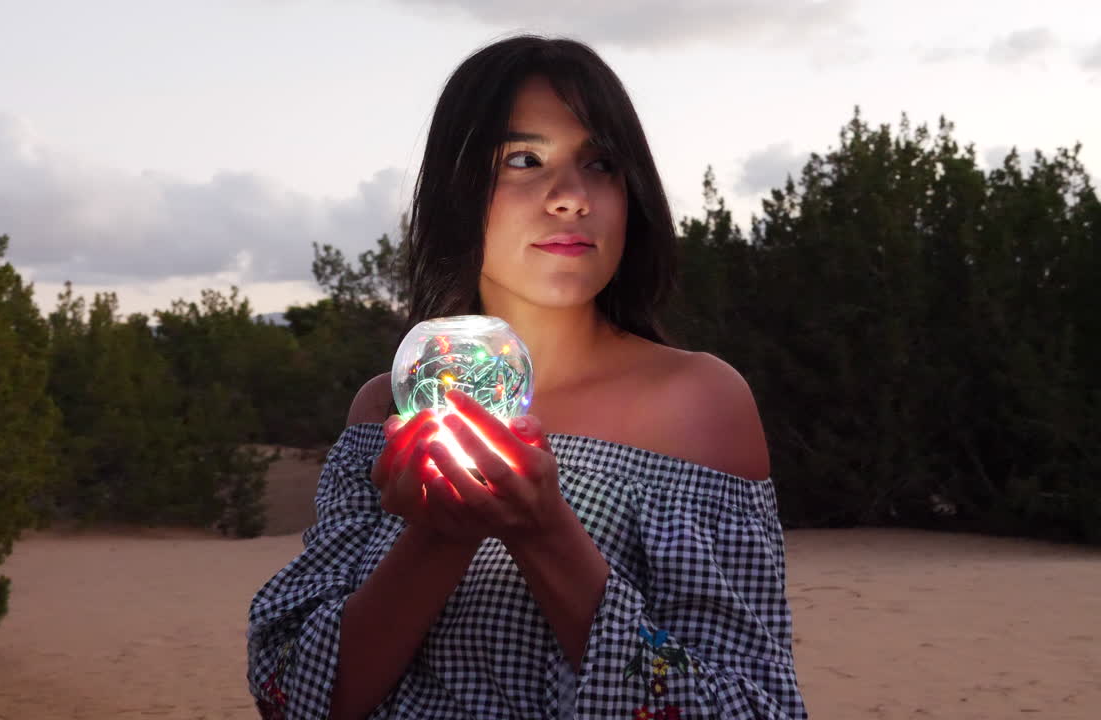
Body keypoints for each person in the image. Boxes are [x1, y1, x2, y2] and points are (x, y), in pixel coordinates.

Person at [247, 35, 807, 720]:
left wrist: (545, 533)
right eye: (522, 160)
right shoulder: (387, 408)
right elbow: (290, 698)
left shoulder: (696, 404)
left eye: (600, 163)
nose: (571, 197)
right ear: (457, 190)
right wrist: (440, 535)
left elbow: (755, 706)